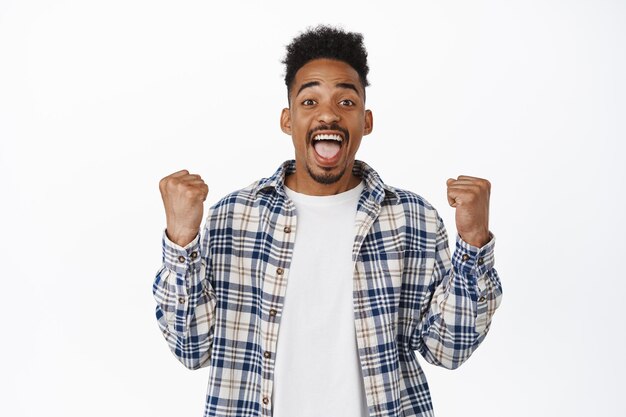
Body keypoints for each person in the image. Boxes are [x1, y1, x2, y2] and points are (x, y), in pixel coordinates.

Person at [153, 25, 502, 417]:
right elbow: (192, 348)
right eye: (310, 101)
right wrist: (181, 242)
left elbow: (448, 350)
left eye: (346, 102)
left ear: (366, 122)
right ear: (288, 120)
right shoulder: (234, 218)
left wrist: (473, 243)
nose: (328, 114)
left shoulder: (411, 219)